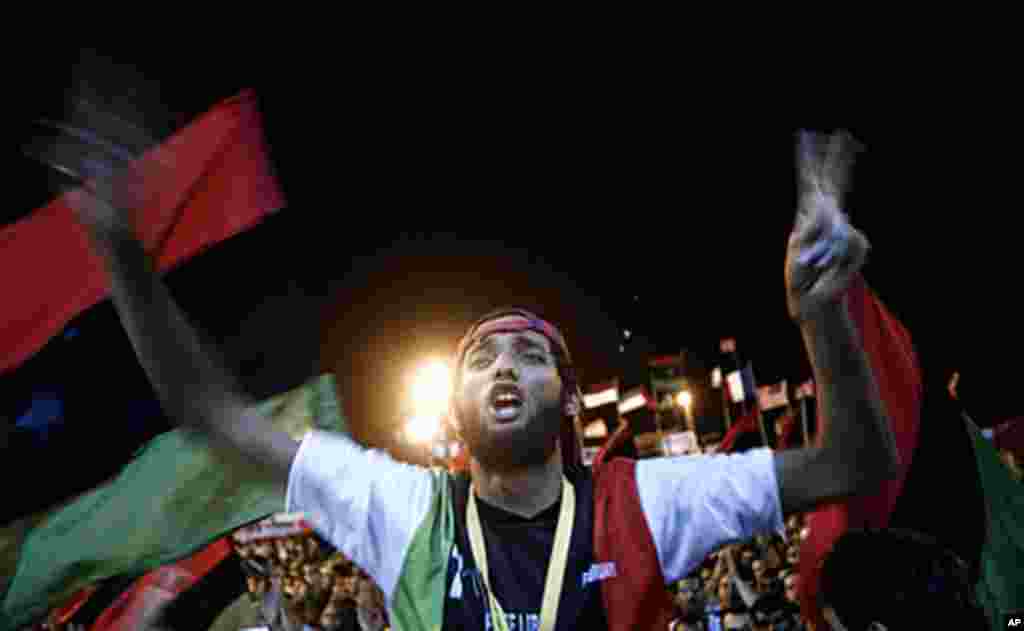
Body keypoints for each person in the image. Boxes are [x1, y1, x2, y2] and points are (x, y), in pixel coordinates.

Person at [45, 120, 899, 630]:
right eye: (480, 355)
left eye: (529, 353)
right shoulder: (402, 508)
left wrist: (821, 317)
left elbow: (853, 464)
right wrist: (119, 249)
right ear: (454, 408)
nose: (502, 363)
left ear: (565, 397)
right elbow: (210, 411)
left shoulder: (645, 500)